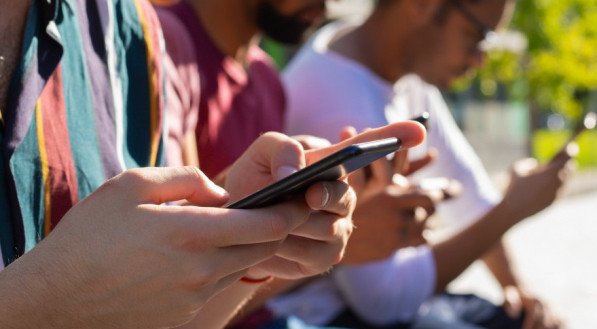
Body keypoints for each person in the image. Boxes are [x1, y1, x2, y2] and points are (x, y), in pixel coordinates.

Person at [0, 0, 427, 326]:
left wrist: (256, 249)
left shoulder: (131, 33)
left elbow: (159, 304)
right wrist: (46, 303)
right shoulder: (171, 41)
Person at [279, 0, 569, 328]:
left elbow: (465, 183)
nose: (480, 58)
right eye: (477, 34)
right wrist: (510, 212)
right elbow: (382, 301)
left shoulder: (385, 61)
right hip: (328, 315)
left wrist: (517, 289)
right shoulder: (339, 104)